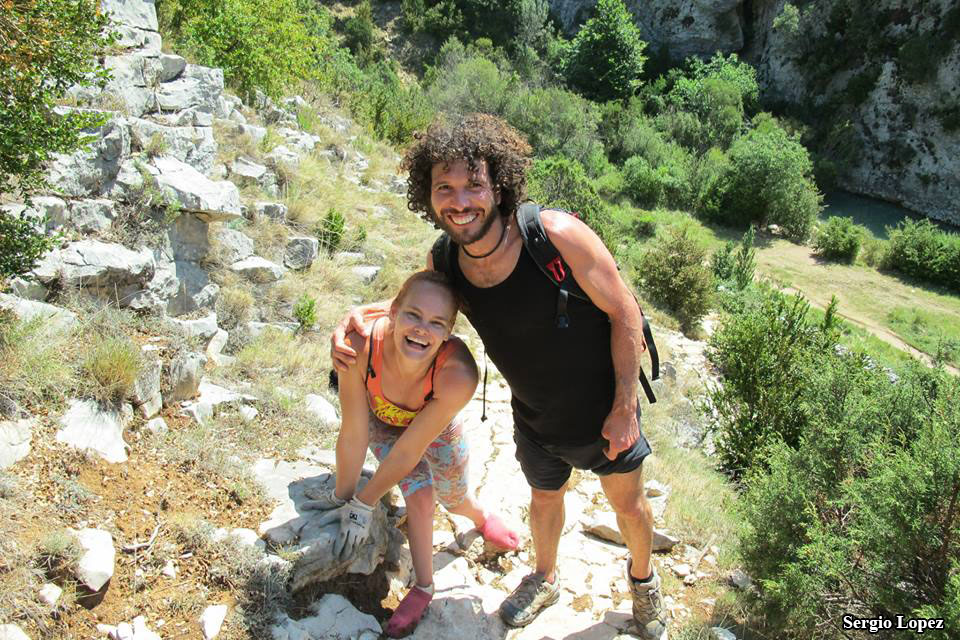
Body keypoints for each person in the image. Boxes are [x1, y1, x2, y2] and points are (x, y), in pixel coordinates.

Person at [331, 114, 668, 639]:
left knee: (628, 506)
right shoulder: (446, 259)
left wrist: (625, 405)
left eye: (473, 185)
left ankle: (644, 584)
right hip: (534, 413)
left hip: (603, 408)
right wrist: (360, 317)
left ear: (500, 186)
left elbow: (625, 311)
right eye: (445, 187)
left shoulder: (554, 236)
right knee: (544, 498)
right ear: (428, 194)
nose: (459, 200)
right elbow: (419, 307)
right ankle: (544, 576)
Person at [315, 269, 520, 638]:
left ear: (449, 331)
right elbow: (354, 431)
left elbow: (413, 447)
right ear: (393, 312)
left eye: (436, 322)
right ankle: (425, 586)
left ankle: (479, 516)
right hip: (383, 423)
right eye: (413, 315)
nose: (422, 328)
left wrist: (365, 504)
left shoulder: (457, 374)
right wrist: (344, 496)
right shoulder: (358, 345)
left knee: (454, 497)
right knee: (420, 497)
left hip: (436, 429)